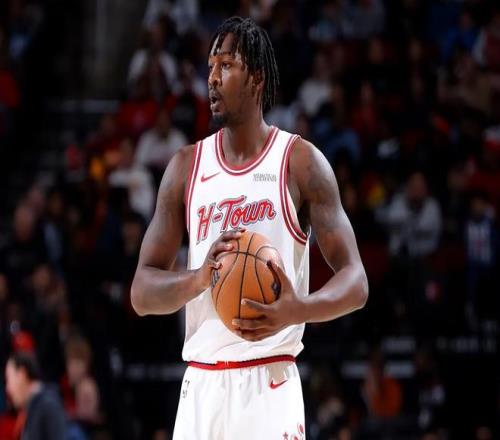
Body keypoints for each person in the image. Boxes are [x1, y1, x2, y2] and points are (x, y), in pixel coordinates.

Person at [131, 16, 368, 439]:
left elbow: (356, 282)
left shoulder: (299, 162)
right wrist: (198, 278)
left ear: (256, 77)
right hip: (201, 385)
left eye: (226, 65)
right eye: (210, 66)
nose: (212, 78)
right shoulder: (185, 167)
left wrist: (300, 308)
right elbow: (142, 293)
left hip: (269, 381)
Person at [5, 351, 67, 440]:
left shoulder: (48, 406)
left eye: (9, 378)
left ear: (21, 375)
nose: (8, 388)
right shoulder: (32, 408)